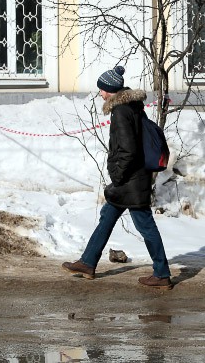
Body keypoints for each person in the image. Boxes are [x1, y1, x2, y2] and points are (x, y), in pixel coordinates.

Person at [62, 66, 173, 290]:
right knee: (107, 217)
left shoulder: (121, 110)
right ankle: (87, 262)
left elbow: (128, 150)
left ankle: (162, 274)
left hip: (130, 180)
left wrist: (117, 174)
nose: (100, 94)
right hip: (133, 179)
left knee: (146, 225)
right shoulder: (130, 106)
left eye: (102, 90)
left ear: (110, 90)